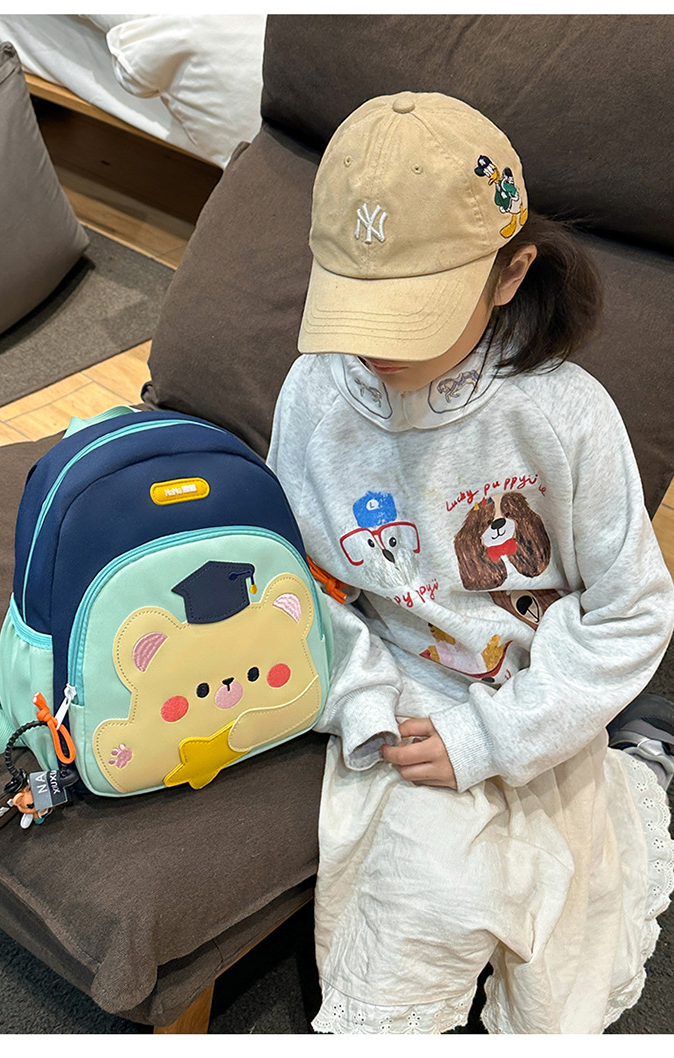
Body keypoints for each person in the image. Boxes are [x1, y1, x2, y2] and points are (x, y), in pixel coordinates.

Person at [265, 91, 674, 1034]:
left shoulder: (564, 415)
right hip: (395, 690)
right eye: (356, 307)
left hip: (533, 687)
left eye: (410, 315)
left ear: (509, 273)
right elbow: (300, 582)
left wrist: (498, 734)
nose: (373, 349)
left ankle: (637, 759)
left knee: (559, 974)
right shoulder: (314, 393)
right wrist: (363, 700)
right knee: (419, 911)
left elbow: (633, 611)